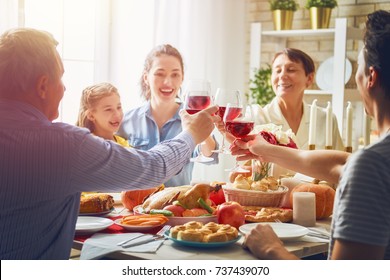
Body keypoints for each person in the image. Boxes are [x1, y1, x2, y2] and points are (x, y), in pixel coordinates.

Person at [0, 28, 219, 259]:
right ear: (42, 86)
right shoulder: (61, 145)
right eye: (60, 77)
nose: (64, 88)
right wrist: (192, 133)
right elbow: (154, 167)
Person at [231, 10, 390, 260]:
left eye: (358, 67)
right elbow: (341, 164)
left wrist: (271, 248)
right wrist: (266, 149)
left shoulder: (372, 164)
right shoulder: (376, 159)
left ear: (371, 77)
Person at [117, 44, 218, 187]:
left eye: (175, 74)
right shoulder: (126, 121)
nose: (168, 82)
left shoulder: (191, 117)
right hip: (135, 205)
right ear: (146, 77)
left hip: (178, 206)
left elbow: (210, 155)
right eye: (160, 73)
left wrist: (200, 127)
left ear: (182, 78)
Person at [253, 48, 344, 151]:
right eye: (278, 70)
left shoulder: (326, 119)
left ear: (309, 79)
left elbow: (340, 163)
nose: (282, 75)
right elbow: (248, 165)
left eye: (291, 70)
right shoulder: (259, 118)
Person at [76, 82, 129, 147]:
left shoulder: (124, 143)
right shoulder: (88, 145)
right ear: (91, 115)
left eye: (119, 107)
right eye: (108, 109)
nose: (117, 114)